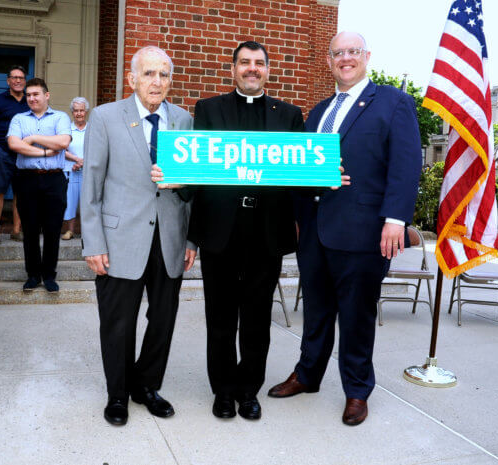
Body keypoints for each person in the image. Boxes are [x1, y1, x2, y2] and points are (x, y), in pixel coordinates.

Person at [267, 32, 421, 426]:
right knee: (316, 311)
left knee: (356, 316)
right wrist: (299, 219)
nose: (345, 58)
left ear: (367, 56)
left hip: (364, 232)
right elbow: (301, 171)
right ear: (330, 61)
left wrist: (395, 221)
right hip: (316, 231)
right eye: (338, 53)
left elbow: (405, 166)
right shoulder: (317, 113)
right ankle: (307, 375)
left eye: (353, 52)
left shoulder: (393, 103)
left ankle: (356, 391)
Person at [187, 41, 303, 421]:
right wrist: (176, 178)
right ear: (233, 68)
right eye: (244, 63)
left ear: (268, 70)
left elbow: (299, 176)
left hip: (265, 234)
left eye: (259, 63)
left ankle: (248, 391)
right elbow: (196, 172)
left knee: (256, 319)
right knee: (220, 318)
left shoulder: (289, 116)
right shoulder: (208, 109)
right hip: (220, 232)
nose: (252, 68)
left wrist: (325, 178)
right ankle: (222, 391)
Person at [81, 46, 195, 426]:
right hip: (119, 240)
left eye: (163, 74)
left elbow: (193, 185)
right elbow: (91, 185)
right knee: (118, 322)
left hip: (170, 240)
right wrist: (93, 242)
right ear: (132, 79)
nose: (156, 82)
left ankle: (146, 386)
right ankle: (118, 394)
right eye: (148, 73)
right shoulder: (105, 117)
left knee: (163, 320)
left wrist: (191, 240)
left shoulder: (183, 120)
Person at [7, 78, 70, 293]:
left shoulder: (61, 117)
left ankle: (49, 275)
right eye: (28, 95)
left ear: (47, 95)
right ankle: (33, 275)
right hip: (28, 179)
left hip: (54, 179)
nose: (31, 98)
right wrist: (45, 150)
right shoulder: (18, 118)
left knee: (53, 229)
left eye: (36, 94)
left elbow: (63, 143)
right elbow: (14, 144)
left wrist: (33, 138)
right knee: (30, 229)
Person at [0, 65, 28, 243]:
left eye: (21, 78)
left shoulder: (30, 101)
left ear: (25, 81)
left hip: (24, 153)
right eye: (14, 77)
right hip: (2, 152)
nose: (18, 80)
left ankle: (17, 230)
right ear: (8, 81)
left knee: (21, 192)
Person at [61, 96, 88, 240]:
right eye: (76, 110)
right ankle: (70, 230)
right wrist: (77, 160)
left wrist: (84, 162)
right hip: (70, 170)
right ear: (72, 112)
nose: (79, 113)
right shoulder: (67, 130)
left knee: (87, 203)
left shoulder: (92, 129)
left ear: (86, 112)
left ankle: (87, 233)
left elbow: (97, 149)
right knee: (70, 202)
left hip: (88, 172)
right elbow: (61, 150)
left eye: (82, 111)